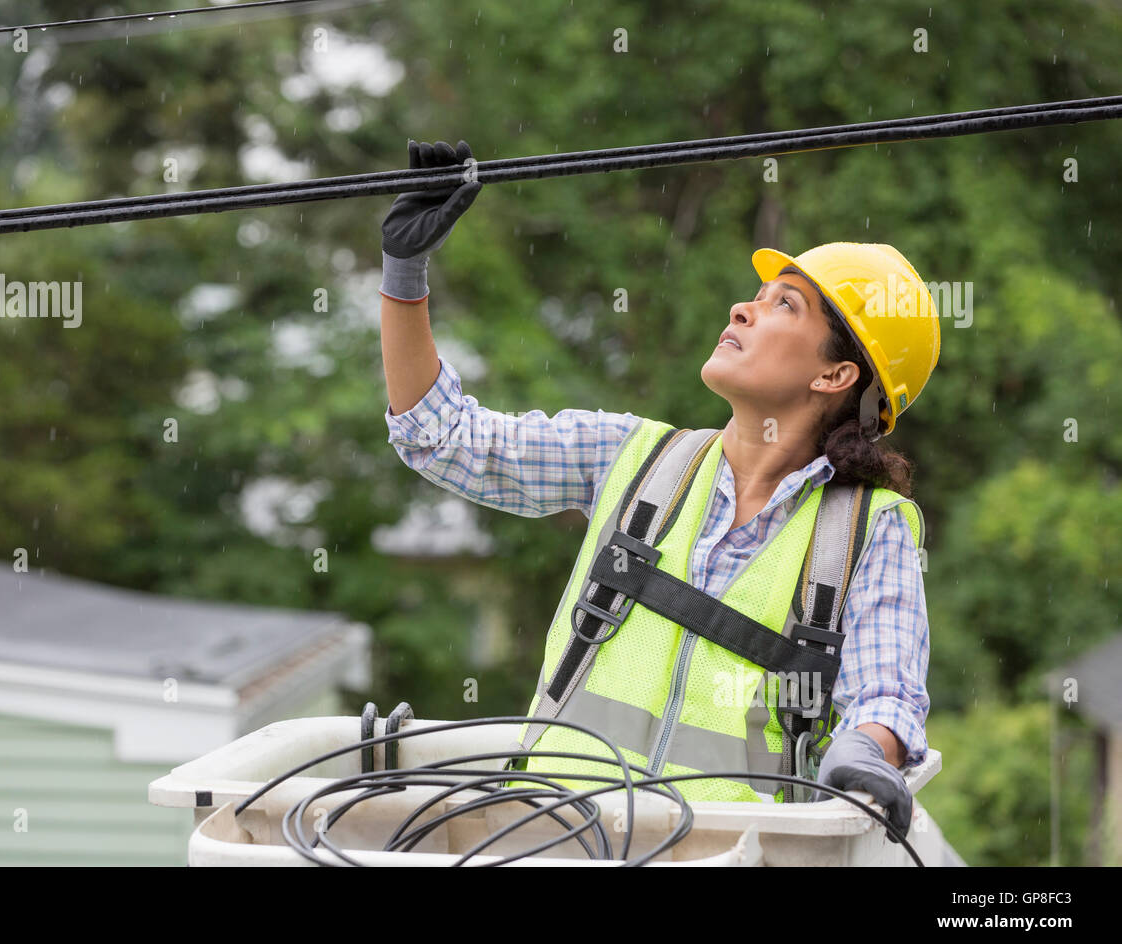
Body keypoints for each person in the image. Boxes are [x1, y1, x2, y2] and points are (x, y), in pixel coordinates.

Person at [378, 139, 937, 838]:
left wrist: (864, 753)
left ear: (834, 376)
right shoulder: (635, 459)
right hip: (550, 844)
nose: (742, 309)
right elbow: (442, 437)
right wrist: (405, 273)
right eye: (755, 296)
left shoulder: (869, 531)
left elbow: (886, 691)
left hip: (727, 859)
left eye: (784, 306)